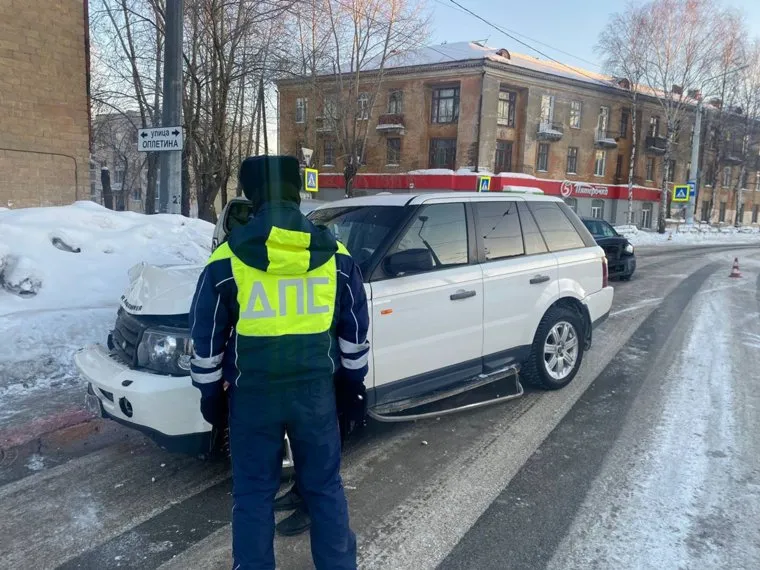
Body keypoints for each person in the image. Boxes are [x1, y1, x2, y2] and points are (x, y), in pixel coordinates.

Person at [189, 155, 369, 570]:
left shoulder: (226, 260)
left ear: (252, 196)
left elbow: (206, 337)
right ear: (296, 192)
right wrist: (353, 385)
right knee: (323, 487)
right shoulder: (337, 256)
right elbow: (355, 330)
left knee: (253, 493)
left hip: (253, 398)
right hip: (316, 396)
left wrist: (210, 394)